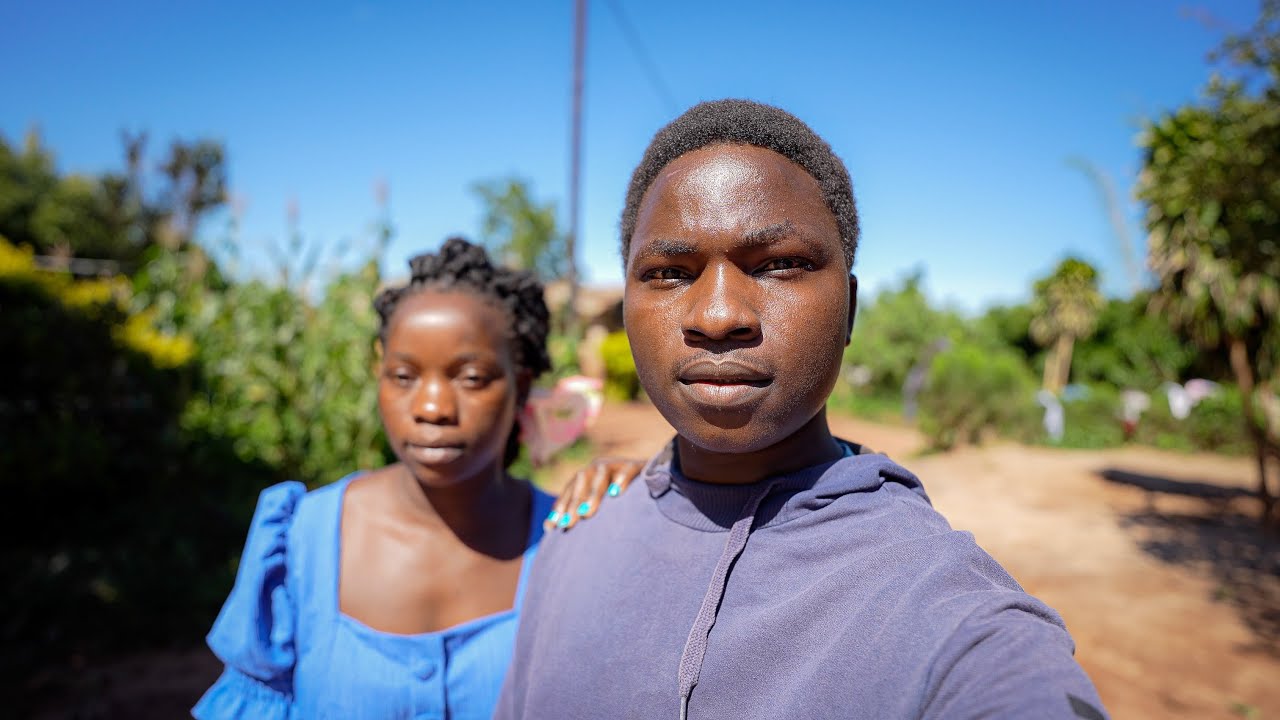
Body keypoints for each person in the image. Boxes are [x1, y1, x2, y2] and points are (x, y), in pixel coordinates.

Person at [496, 100, 1109, 719]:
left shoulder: (948, 616)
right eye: (670, 272)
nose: (718, 316)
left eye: (780, 265)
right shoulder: (575, 541)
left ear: (849, 308)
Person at [193, 238, 639, 719]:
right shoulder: (303, 537)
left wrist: (655, 503)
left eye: (470, 378)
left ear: (522, 385)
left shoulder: (571, 539)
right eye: (403, 376)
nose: (431, 409)